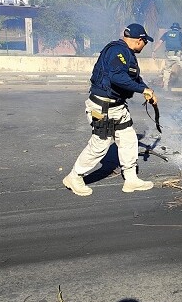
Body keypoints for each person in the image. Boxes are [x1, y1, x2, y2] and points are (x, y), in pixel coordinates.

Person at [62, 23, 159, 196]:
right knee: (100, 144)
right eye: (145, 42)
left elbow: (134, 77)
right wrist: (142, 90)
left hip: (118, 106)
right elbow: (116, 77)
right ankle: (74, 176)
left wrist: (147, 90)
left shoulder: (126, 54)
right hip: (102, 106)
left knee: (128, 138)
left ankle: (131, 179)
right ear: (139, 40)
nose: (144, 46)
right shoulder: (117, 51)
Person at [152, 22, 182, 91]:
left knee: (167, 70)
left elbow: (159, 42)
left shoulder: (166, 34)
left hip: (169, 56)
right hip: (178, 56)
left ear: (172, 28)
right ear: (178, 29)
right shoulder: (180, 35)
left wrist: (154, 51)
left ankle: (165, 87)